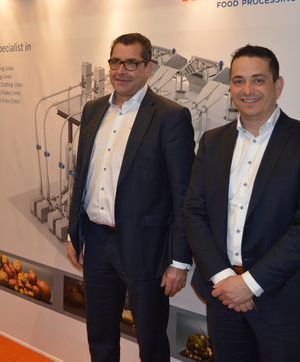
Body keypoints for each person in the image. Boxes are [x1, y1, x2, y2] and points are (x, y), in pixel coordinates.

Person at [184, 44, 300, 361]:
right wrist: (224, 279)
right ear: (230, 89)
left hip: (283, 297)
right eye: (238, 81)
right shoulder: (212, 141)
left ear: (278, 86)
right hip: (222, 294)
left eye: (258, 80)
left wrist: (249, 284)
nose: (247, 90)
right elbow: (194, 212)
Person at [66, 33, 195, 361]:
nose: (120, 70)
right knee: (100, 337)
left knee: (151, 342)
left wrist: (179, 261)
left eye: (131, 63)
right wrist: (73, 233)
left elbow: (183, 195)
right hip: (97, 244)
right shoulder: (93, 110)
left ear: (148, 68)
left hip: (146, 248)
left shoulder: (170, 117)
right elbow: (83, 177)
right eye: (115, 62)